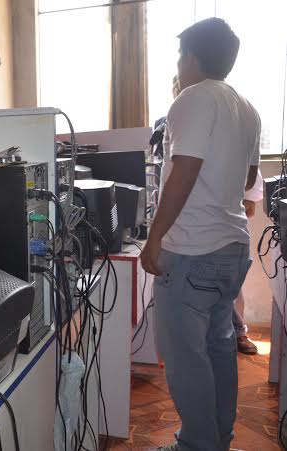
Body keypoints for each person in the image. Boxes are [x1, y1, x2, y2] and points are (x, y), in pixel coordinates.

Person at [140, 18, 260, 451]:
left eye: (179, 56)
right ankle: (217, 439)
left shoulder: (191, 99)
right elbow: (249, 177)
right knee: (218, 348)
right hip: (232, 246)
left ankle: (196, 445)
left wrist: (155, 237)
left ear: (191, 57)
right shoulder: (246, 108)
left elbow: (185, 171)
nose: (178, 65)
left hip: (192, 249)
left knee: (186, 358)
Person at [234, 170, 263, 354]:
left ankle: (238, 333)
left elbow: (250, 208)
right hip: (192, 231)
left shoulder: (241, 156)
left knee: (232, 285)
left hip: (229, 231)